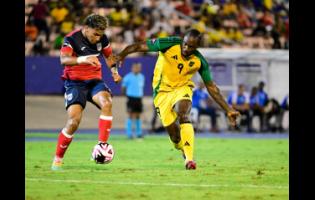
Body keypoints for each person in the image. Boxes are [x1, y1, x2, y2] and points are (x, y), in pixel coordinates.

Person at [114, 29, 240, 170]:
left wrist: (228, 109)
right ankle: (182, 148)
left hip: (182, 88)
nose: (186, 48)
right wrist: (122, 54)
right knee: (175, 137)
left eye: (191, 47)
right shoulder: (169, 43)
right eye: (185, 44)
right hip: (161, 93)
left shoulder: (199, 61)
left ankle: (189, 160)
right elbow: (139, 46)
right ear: (183, 40)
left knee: (184, 114)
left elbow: (212, 88)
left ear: (197, 47)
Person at [51, 14, 122, 170]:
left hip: (95, 82)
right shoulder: (71, 39)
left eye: (101, 34)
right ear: (86, 28)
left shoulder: (102, 39)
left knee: (107, 103)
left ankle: (102, 146)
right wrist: (83, 59)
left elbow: (109, 57)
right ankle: (58, 158)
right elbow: (64, 60)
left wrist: (114, 71)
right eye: (95, 33)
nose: (98, 38)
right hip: (75, 84)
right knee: (73, 122)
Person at [121, 62, 145, 139]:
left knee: (138, 115)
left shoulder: (142, 77)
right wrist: (126, 95)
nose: (137, 69)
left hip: (139, 98)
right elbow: (123, 87)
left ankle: (139, 133)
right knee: (131, 115)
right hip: (131, 98)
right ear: (132, 68)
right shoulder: (127, 77)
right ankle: (129, 134)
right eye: (136, 67)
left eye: (139, 67)